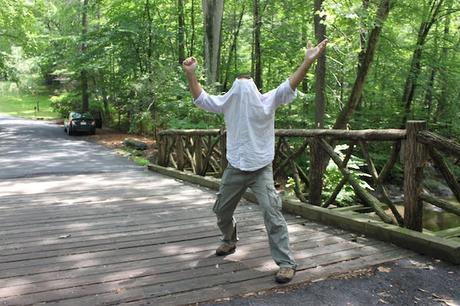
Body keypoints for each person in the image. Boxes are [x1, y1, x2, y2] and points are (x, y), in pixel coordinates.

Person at [182, 39, 328, 283]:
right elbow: (201, 98)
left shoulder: (268, 99)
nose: (242, 89)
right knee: (221, 210)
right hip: (235, 167)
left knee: (273, 212)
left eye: (246, 84)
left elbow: (290, 84)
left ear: (256, 87)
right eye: (238, 85)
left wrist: (307, 61)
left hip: (261, 168)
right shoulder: (228, 102)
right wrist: (191, 74)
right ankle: (229, 241)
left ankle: (286, 262)